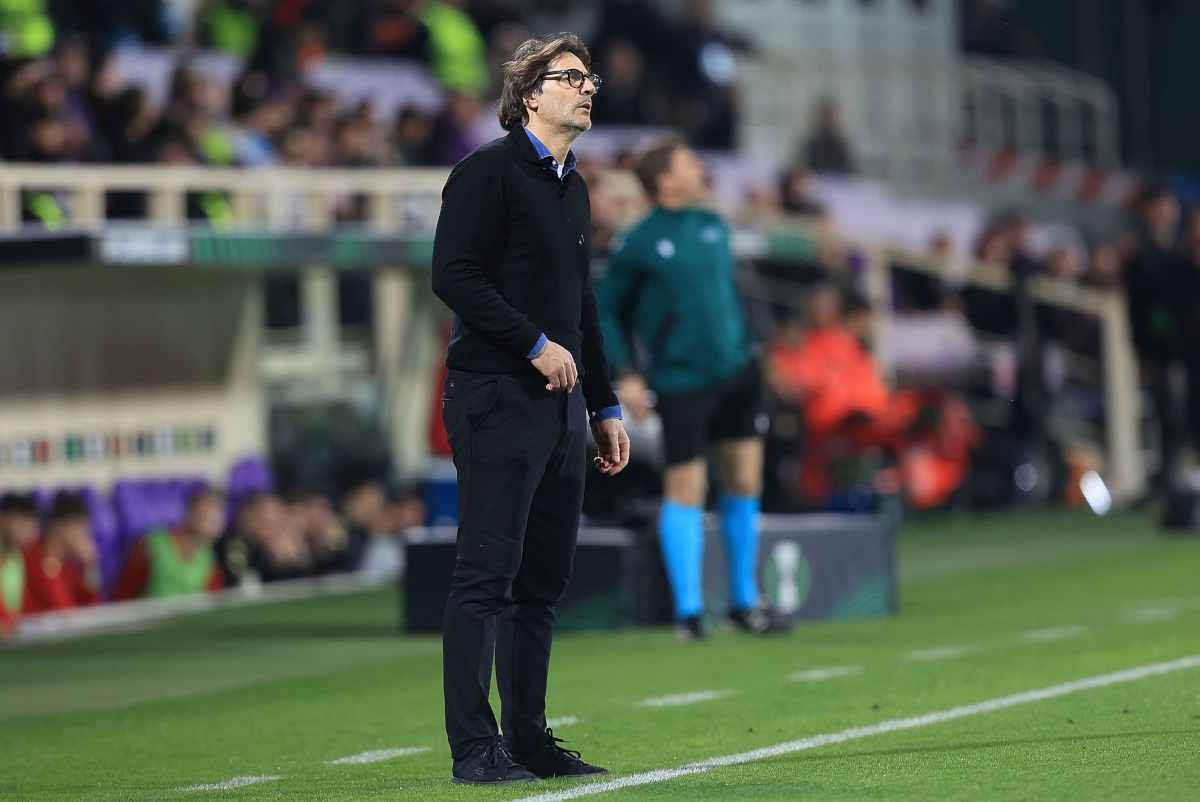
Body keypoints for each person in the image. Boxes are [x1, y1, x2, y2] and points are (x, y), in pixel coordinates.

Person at [430, 32, 628, 785]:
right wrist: (533, 343)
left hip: (559, 406)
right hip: (495, 394)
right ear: (529, 94)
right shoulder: (486, 172)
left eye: (590, 77)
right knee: (485, 576)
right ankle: (474, 750)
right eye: (570, 77)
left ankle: (529, 739)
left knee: (541, 583)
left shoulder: (572, 184)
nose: (586, 88)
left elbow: (582, 302)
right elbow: (453, 274)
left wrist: (604, 402)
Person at [596, 138, 791, 641]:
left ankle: (744, 602)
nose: (699, 166)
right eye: (688, 162)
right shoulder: (639, 241)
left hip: (737, 373)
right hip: (681, 380)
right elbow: (607, 310)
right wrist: (627, 373)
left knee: (745, 479)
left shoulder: (713, 225)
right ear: (665, 181)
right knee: (687, 488)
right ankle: (688, 610)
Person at [110, 489, 227, 601]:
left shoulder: (210, 556)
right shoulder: (150, 544)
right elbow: (124, 596)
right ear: (190, 513)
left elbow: (212, 601)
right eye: (207, 514)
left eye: (218, 515)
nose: (215, 521)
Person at [22, 492, 100, 614]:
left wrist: (90, 567)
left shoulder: (66, 567)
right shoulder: (37, 557)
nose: (82, 534)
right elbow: (64, 611)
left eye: (84, 527)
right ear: (57, 526)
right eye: (77, 525)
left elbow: (91, 609)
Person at [0, 492, 39, 637]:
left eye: (31, 521)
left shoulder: (17, 557)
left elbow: (23, 609)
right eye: (22, 520)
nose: (29, 528)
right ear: (4, 518)